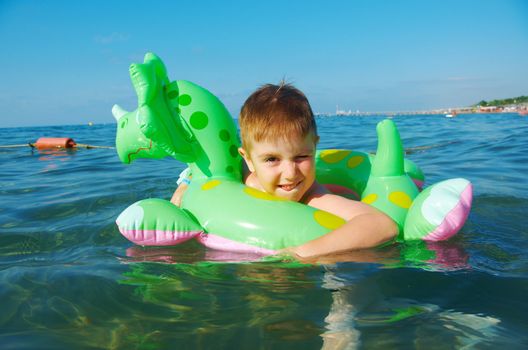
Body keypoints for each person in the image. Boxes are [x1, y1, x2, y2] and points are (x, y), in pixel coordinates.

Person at [171, 82, 397, 258]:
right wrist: (186, 184)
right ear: (248, 159)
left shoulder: (314, 197)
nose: (290, 173)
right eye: (272, 159)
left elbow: (382, 225)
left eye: (301, 156)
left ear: (315, 147)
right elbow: (203, 167)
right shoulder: (243, 175)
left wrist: (302, 252)